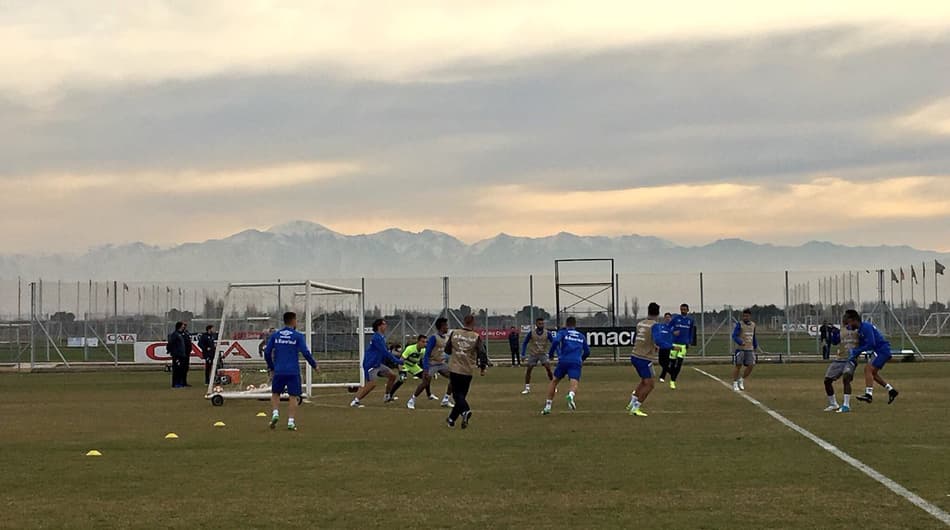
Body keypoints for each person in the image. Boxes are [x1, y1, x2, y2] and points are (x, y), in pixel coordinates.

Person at [264, 312, 318, 431]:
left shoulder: (276, 335)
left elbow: (267, 352)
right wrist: (314, 365)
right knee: (293, 396)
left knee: (275, 393)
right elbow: (305, 352)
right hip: (293, 371)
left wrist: (271, 367)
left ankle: (275, 413)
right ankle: (291, 422)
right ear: (293, 321)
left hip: (279, 370)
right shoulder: (297, 336)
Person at [844, 310, 900, 405]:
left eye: (848, 322)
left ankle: (868, 395)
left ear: (854, 320)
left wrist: (857, 351)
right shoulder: (860, 330)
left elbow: (871, 343)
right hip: (878, 351)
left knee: (868, 369)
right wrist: (853, 355)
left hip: (882, 350)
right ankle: (891, 390)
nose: (848, 325)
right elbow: (861, 345)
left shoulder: (866, 327)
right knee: (872, 373)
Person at [445, 314, 488, 429]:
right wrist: (482, 367)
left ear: (464, 321)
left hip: (454, 368)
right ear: (473, 322)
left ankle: (465, 411)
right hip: (467, 370)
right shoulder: (476, 336)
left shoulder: (454, 333)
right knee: (461, 395)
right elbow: (482, 352)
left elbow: (447, 349)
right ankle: (451, 419)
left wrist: (456, 351)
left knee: (457, 395)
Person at [541, 317, 590, 415]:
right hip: (576, 361)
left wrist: (551, 354)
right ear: (575, 325)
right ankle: (571, 395)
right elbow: (587, 351)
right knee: (574, 382)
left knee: (554, 381)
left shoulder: (563, 332)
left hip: (563, 360)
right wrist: (581, 359)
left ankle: (548, 406)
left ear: (566, 324)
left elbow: (555, 341)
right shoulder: (581, 336)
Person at [350, 319, 403, 408]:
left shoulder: (381, 337)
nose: (386, 326)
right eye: (384, 324)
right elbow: (385, 352)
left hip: (377, 364)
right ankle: (355, 401)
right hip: (370, 365)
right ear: (379, 326)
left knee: (392, 376)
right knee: (371, 384)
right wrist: (397, 361)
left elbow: (384, 352)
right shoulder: (376, 338)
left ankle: (387, 396)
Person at [407, 318, 454, 410]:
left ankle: (446, 399)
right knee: (425, 382)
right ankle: (412, 400)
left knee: (454, 378)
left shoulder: (446, 338)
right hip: (431, 364)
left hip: (441, 364)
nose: (447, 327)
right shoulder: (434, 338)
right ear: (441, 326)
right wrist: (425, 369)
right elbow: (427, 353)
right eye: (446, 325)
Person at [627, 303, 662, 417]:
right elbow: (657, 339)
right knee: (650, 385)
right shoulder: (655, 325)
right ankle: (636, 408)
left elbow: (636, 338)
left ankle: (632, 402)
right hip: (644, 358)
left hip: (635, 355)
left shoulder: (640, 323)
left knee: (644, 381)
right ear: (658, 313)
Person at [823, 319, 858, 413]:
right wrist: (834, 333)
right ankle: (833, 404)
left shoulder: (858, 331)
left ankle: (846, 405)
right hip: (839, 359)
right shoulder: (842, 331)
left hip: (850, 359)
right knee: (827, 381)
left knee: (846, 378)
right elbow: (835, 342)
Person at [520, 318, 554, 395]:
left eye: (542, 323)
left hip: (543, 353)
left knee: (548, 368)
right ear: (536, 324)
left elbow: (554, 343)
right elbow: (525, 343)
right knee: (529, 369)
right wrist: (523, 354)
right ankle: (527, 388)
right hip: (533, 354)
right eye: (539, 323)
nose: (541, 325)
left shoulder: (547, 333)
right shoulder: (531, 333)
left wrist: (555, 353)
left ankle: (553, 386)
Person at [399, 335, 432, 408]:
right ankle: (389, 395)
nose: (425, 344)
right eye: (423, 342)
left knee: (427, 377)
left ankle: (429, 395)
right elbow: (401, 360)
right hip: (405, 365)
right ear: (418, 342)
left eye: (426, 342)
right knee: (402, 380)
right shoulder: (410, 349)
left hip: (413, 366)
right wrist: (401, 372)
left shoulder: (423, 350)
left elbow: (424, 361)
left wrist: (426, 369)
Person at [668, 303, 695, 389]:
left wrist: (689, 341)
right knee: (672, 363)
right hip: (674, 344)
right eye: (682, 309)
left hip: (683, 345)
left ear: (687, 310)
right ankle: (672, 375)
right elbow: (668, 328)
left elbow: (691, 331)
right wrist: (672, 332)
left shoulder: (690, 320)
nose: (683, 311)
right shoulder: (675, 319)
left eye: (684, 309)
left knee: (679, 364)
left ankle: (673, 380)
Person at [732, 309, 758, 391]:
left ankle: (741, 380)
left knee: (751, 365)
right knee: (738, 365)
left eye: (747, 316)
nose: (745, 317)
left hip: (749, 349)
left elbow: (753, 336)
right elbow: (734, 336)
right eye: (744, 316)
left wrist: (755, 345)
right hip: (741, 349)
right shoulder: (739, 324)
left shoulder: (753, 325)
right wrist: (740, 341)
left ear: (750, 316)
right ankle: (735, 382)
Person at [167, 321, 188, 388]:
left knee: (181, 369)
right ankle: (175, 383)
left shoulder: (181, 334)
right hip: (177, 355)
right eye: (182, 325)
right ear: (179, 326)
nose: (184, 326)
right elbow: (170, 343)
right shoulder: (175, 334)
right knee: (176, 369)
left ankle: (180, 383)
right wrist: (172, 352)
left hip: (182, 355)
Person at [657, 313, 674, 384]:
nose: (667, 318)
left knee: (666, 363)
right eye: (666, 317)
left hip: (669, 347)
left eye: (669, 317)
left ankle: (662, 377)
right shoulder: (661, 327)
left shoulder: (672, 327)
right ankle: (672, 372)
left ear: (671, 318)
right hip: (662, 347)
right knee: (661, 362)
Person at [180, 322, 193, 387]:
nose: (185, 326)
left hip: (187, 353)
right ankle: (181, 382)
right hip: (182, 353)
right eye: (184, 325)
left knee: (186, 368)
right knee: (181, 368)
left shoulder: (186, 333)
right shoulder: (179, 334)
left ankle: (184, 382)